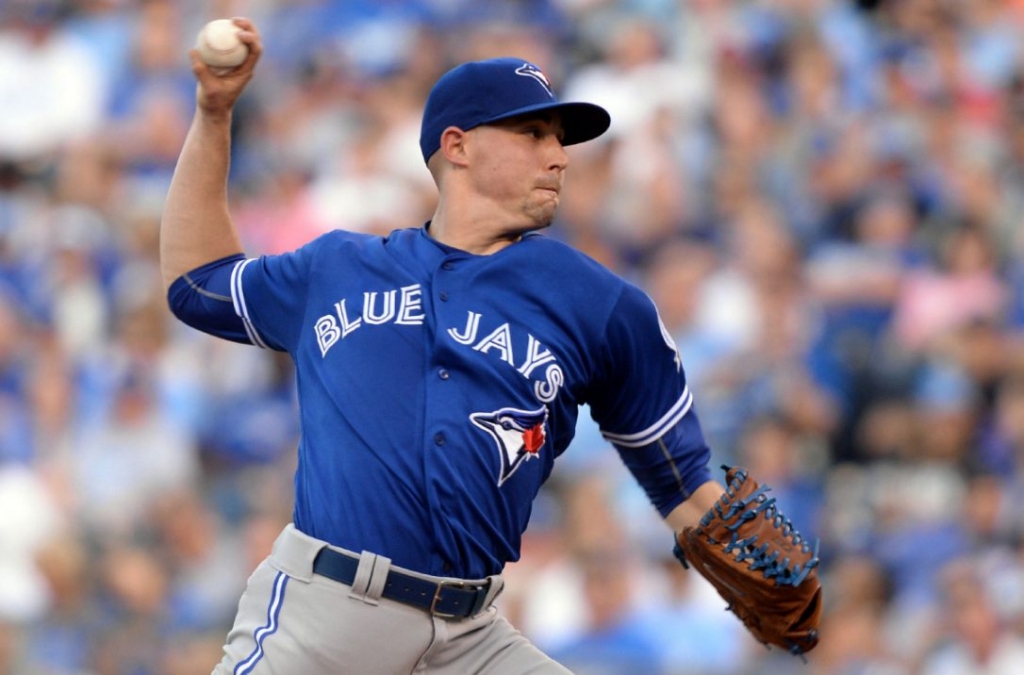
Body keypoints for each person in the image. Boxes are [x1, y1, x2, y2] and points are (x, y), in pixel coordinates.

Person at [161, 17, 726, 674]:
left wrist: (763, 570)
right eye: (533, 133)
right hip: (327, 617)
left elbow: (682, 480)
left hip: (471, 635)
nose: (560, 155)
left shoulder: (599, 302)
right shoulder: (337, 268)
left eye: (561, 139)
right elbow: (196, 282)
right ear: (457, 145)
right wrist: (213, 113)